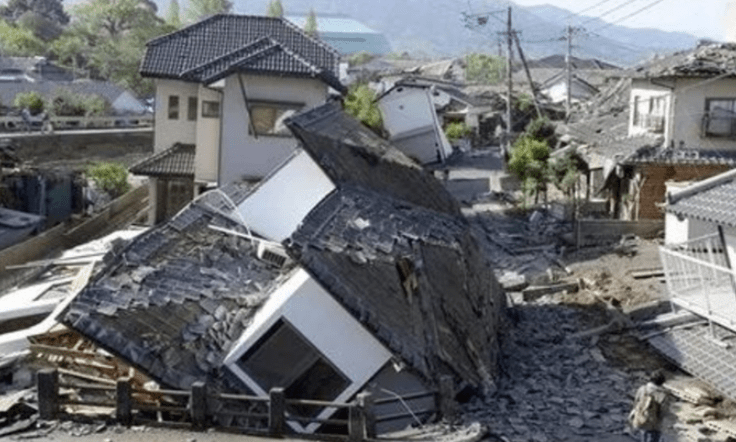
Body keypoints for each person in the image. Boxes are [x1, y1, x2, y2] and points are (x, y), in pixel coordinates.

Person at [629, 370, 668, 442]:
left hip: (639, 419)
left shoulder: (642, 389)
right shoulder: (662, 394)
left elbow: (636, 402)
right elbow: (663, 412)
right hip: (652, 424)